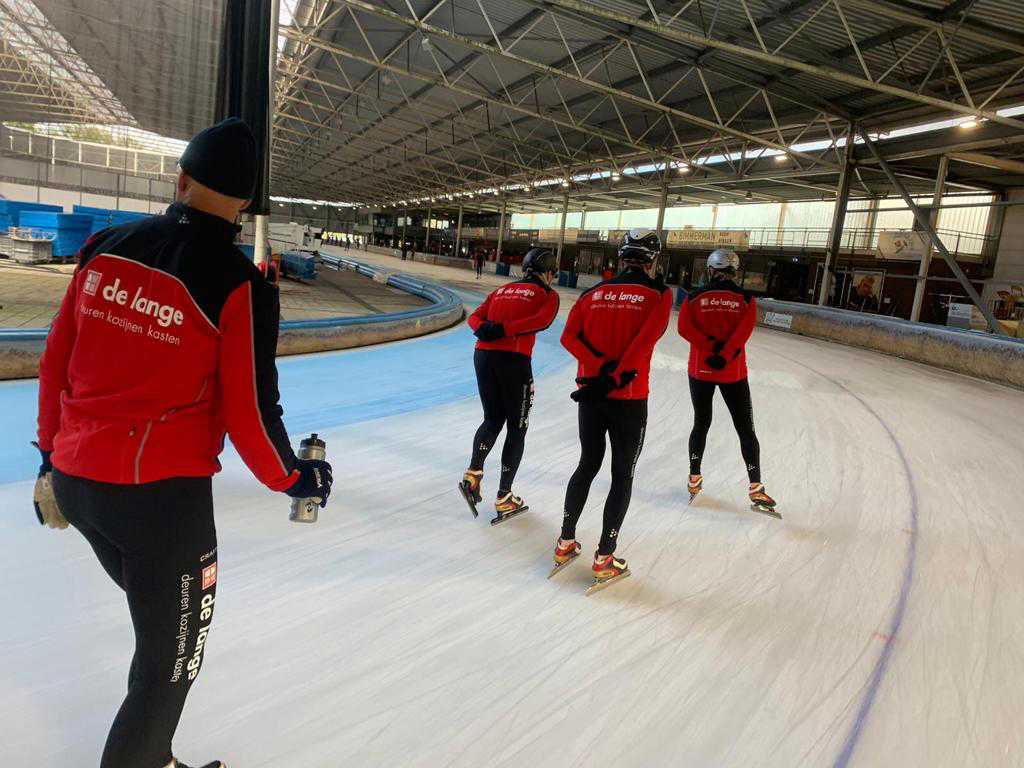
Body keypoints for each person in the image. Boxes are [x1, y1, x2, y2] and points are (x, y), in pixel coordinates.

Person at [31, 118, 335, 768]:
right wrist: (296, 478)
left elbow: (55, 361)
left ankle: (156, 757)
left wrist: (46, 458)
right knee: (167, 670)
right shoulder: (238, 285)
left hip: (78, 485)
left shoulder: (105, 246)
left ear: (182, 179)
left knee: (159, 634)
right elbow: (251, 414)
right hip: (160, 507)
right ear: (247, 204)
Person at [553, 230, 673, 592]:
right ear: (652, 262)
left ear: (621, 259)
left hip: (590, 393)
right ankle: (605, 557)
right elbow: (645, 340)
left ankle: (565, 543)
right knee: (622, 475)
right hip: (629, 397)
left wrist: (599, 368)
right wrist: (618, 375)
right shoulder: (658, 295)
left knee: (587, 464)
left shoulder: (591, 294)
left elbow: (568, 337)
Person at [459, 247, 561, 524]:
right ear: (549, 273)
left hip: (483, 355)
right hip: (513, 360)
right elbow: (541, 321)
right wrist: (505, 330)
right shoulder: (548, 295)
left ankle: (473, 475)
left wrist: (483, 329)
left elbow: (473, 317)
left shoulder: (502, 291)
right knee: (517, 427)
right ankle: (504, 497)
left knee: (492, 419)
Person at [677, 248, 777, 517]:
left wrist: (710, 349)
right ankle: (756, 486)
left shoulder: (694, 297)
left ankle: (694, 477)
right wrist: (725, 353)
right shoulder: (747, 299)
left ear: (710, 270)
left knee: (701, 423)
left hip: (701, 371)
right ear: (735, 272)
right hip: (733, 372)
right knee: (746, 429)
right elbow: (744, 332)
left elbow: (684, 328)